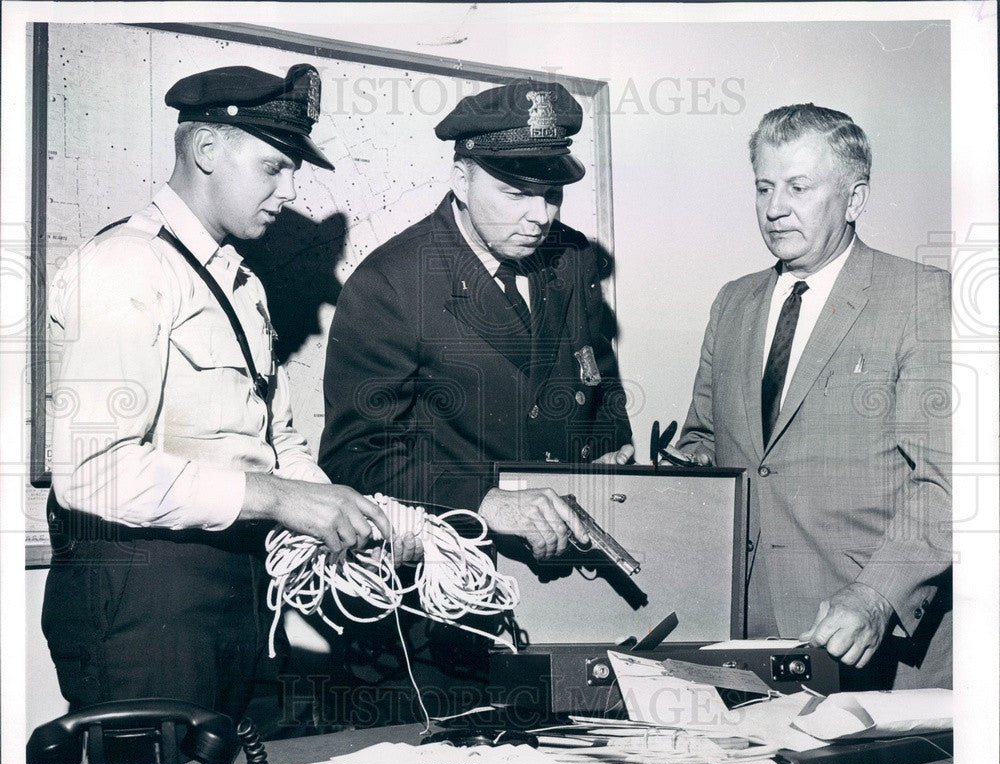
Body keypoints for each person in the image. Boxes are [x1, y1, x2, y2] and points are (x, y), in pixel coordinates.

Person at [42, 63, 420, 728]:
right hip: (142, 603)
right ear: (207, 151)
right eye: (273, 167)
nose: (289, 190)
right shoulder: (126, 266)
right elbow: (91, 474)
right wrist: (280, 498)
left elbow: (269, 439)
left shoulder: (240, 283)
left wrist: (340, 508)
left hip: (239, 593)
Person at [318, 79, 634, 722]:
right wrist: (483, 499)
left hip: (569, 594)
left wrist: (612, 454)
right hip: (443, 613)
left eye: (552, 194)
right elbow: (354, 457)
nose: (541, 216)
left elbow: (596, 378)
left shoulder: (569, 260)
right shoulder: (392, 284)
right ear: (461, 179)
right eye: (517, 193)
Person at [674, 103, 951, 689]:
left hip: (868, 642)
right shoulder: (732, 303)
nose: (775, 209)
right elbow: (703, 440)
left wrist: (876, 597)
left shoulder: (921, 297)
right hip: (744, 641)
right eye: (764, 187)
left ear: (853, 201)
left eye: (799, 187)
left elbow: (948, 483)